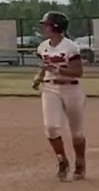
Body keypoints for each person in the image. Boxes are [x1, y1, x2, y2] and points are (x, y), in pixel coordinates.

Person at [33, 11, 88, 181]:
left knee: (77, 132)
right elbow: (45, 65)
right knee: (51, 127)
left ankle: (80, 161)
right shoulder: (43, 47)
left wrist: (58, 70)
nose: (43, 28)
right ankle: (62, 160)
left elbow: (78, 72)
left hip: (71, 89)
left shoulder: (70, 47)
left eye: (46, 25)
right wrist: (39, 77)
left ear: (56, 27)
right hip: (50, 88)